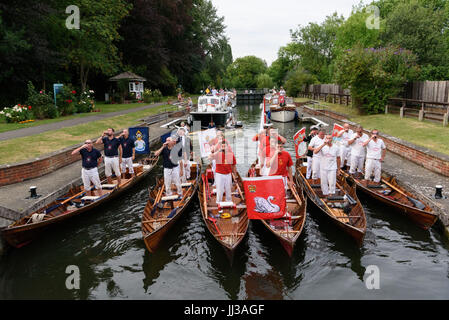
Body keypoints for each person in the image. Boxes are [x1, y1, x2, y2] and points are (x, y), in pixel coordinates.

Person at [209, 141, 237, 208]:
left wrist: (235, 176)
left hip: (228, 174)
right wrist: (218, 150)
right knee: (220, 189)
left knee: (228, 189)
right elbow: (210, 157)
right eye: (222, 146)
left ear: (227, 147)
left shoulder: (231, 154)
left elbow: (233, 166)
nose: (224, 148)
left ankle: (228, 201)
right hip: (219, 174)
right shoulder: (218, 154)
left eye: (225, 146)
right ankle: (218, 202)